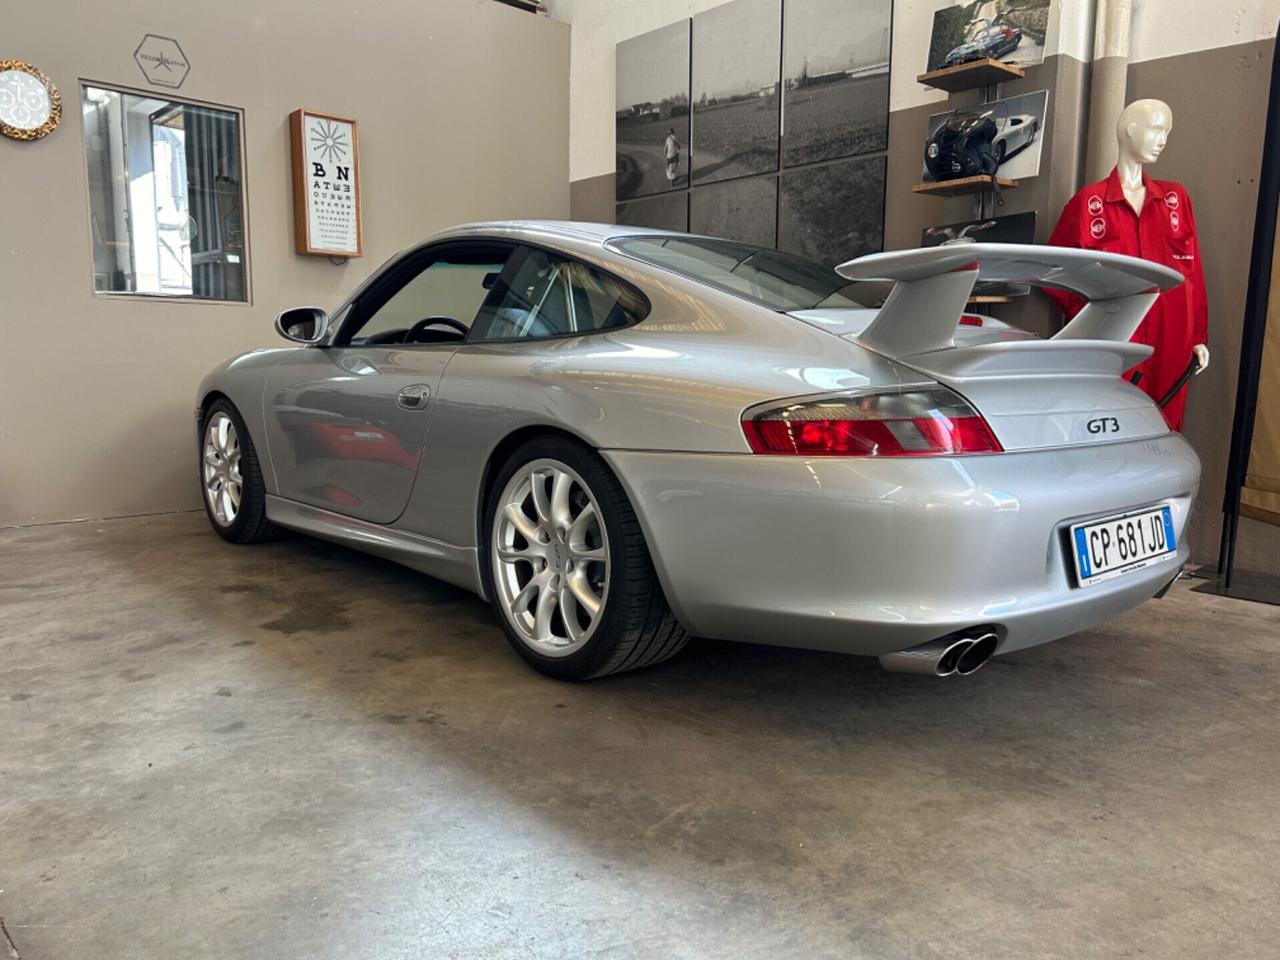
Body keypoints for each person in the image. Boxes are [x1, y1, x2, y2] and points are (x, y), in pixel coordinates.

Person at [1046, 99, 1208, 431]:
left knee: (1165, 426)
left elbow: (1193, 272)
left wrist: (1198, 335)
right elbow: (1052, 270)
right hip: (1116, 341)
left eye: (1167, 132)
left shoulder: (1175, 199)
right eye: (1156, 129)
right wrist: (1090, 319)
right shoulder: (1088, 203)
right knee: (1112, 423)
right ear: (1131, 130)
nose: (1163, 140)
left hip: (1173, 337)